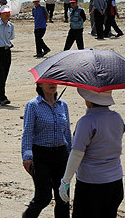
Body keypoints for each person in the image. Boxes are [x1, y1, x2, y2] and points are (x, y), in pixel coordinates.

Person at [59, 88, 124, 217]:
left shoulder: (86, 122)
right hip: (115, 181)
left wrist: (65, 181)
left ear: (89, 100)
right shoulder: (117, 117)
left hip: (91, 185)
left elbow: (77, 154)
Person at [21, 83, 71, 217]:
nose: (52, 84)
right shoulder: (33, 105)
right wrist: (27, 156)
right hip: (41, 156)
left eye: (54, 81)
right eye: (48, 81)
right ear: (40, 84)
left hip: (61, 155)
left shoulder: (63, 105)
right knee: (43, 197)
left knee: (63, 197)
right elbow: (28, 132)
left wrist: (72, 156)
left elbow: (67, 133)